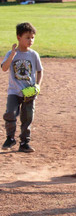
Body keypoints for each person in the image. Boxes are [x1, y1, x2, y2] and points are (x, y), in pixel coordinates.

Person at [1, 22, 43, 152]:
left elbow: (40, 71)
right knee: (10, 113)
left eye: (32, 37)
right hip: (14, 91)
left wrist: (38, 86)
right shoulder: (11, 53)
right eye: (27, 37)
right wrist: (12, 55)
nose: (31, 40)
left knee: (27, 117)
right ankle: (10, 138)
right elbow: (4, 68)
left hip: (29, 92)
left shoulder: (33, 54)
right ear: (19, 37)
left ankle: (24, 142)